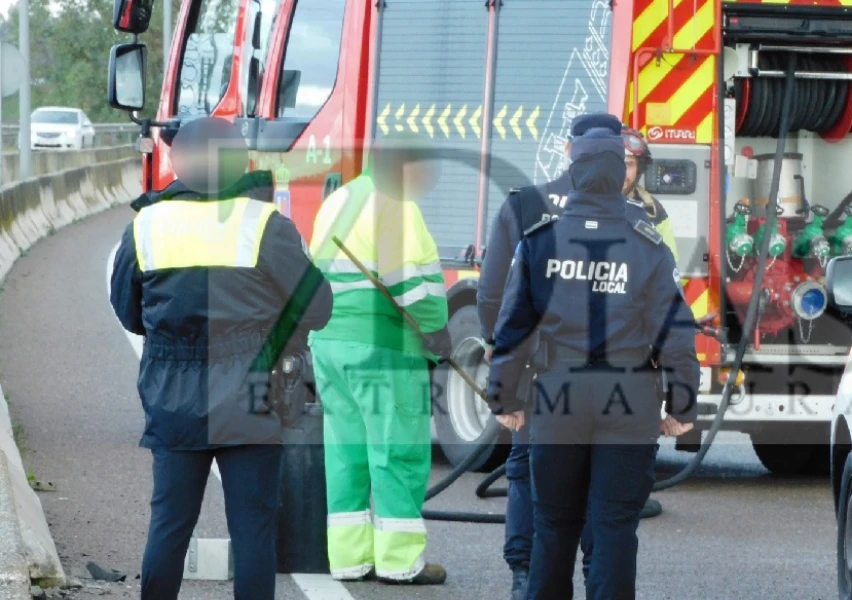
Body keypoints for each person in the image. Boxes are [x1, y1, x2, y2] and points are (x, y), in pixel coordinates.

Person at [108, 116, 334, 600]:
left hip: (173, 398)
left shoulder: (145, 225)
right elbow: (317, 308)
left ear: (178, 162)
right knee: (254, 530)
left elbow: (128, 312)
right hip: (252, 396)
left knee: (169, 525)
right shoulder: (264, 224)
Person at [484, 118, 701, 600]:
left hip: (557, 399)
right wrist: (683, 407)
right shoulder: (647, 244)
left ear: (576, 169)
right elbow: (675, 332)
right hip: (629, 402)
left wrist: (504, 396)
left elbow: (512, 325)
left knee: (554, 525)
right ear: (617, 169)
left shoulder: (542, 239)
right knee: (614, 528)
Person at [306, 132, 451, 585]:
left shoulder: (339, 199)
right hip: (382, 345)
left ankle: (349, 559)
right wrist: (436, 331)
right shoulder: (396, 202)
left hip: (330, 342)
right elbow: (410, 280)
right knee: (396, 450)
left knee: (346, 451)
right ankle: (398, 562)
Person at [620, 126, 679, 260]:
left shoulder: (653, 210)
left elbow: (670, 263)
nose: (621, 172)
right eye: (616, 163)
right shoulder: (584, 205)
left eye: (628, 164)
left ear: (639, 169)